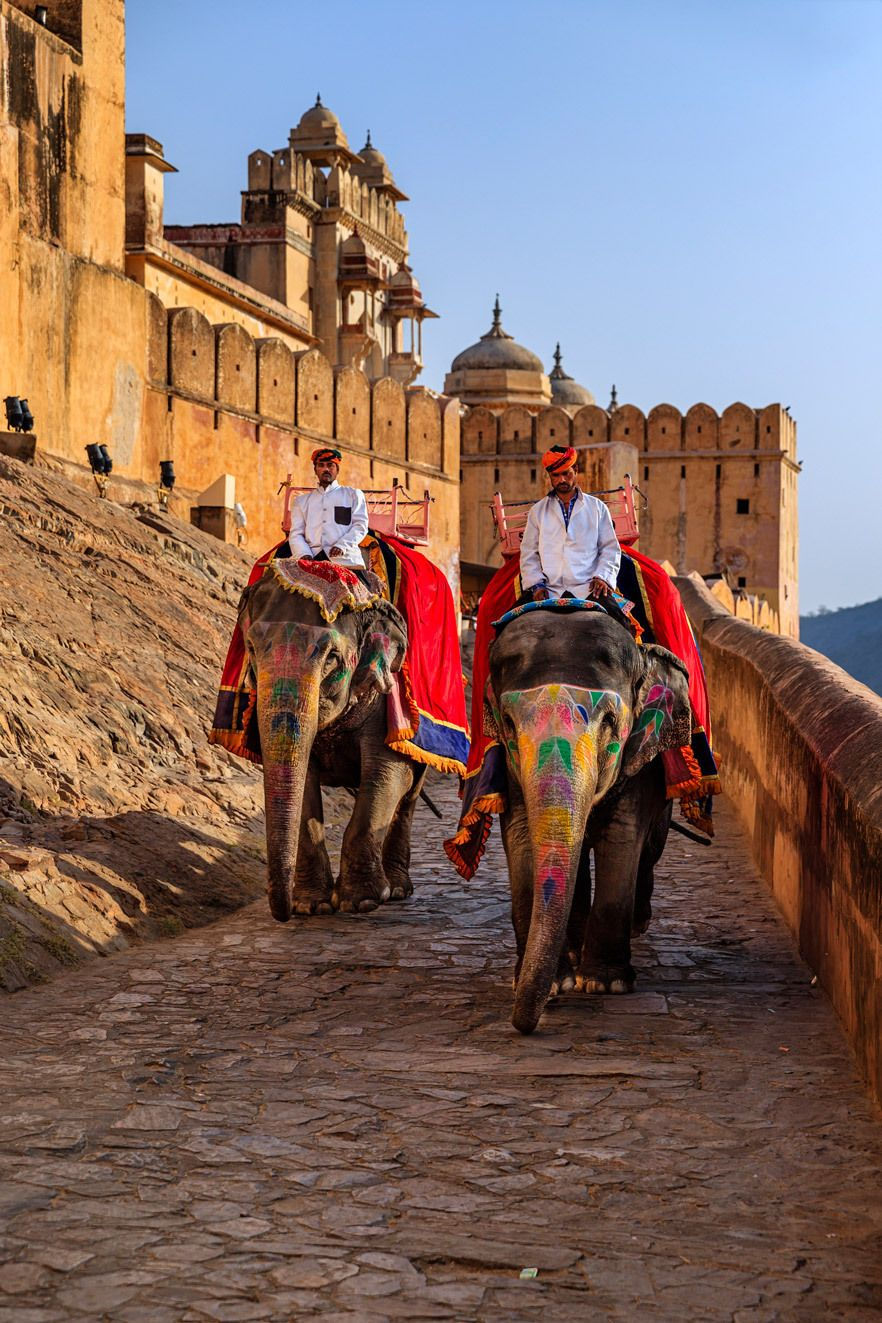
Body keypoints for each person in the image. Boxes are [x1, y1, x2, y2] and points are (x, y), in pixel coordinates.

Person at [520, 444, 621, 601]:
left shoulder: (597, 507)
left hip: (588, 588)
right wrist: (537, 585)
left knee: (618, 616)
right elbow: (529, 553)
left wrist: (602, 577)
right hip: (549, 590)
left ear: (576, 470)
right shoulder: (537, 511)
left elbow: (610, 548)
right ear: (550, 476)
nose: (561, 480)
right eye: (556, 475)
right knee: (511, 616)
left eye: (566, 473)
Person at [289, 447, 369, 566]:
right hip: (311, 560)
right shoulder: (301, 501)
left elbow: (360, 526)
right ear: (315, 470)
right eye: (321, 465)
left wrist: (342, 545)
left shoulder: (353, 495)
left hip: (346, 560)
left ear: (337, 469)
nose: (326, 469)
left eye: (330, 465)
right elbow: (296, 533)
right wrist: (304, 553)